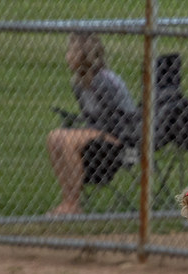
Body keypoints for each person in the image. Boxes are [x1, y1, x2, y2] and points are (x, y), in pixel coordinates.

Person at [47, 33, 139, 215]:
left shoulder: (103, 80)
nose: (67, 56)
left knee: (66, 140)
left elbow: (123, 118)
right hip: (98, 133)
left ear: (84, 55)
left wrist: (87, 133)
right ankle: (68, 199)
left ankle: (73, 204)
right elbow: (90, 117)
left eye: (71, 51)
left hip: (121, 138)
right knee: (53, 138)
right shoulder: (79, 83)